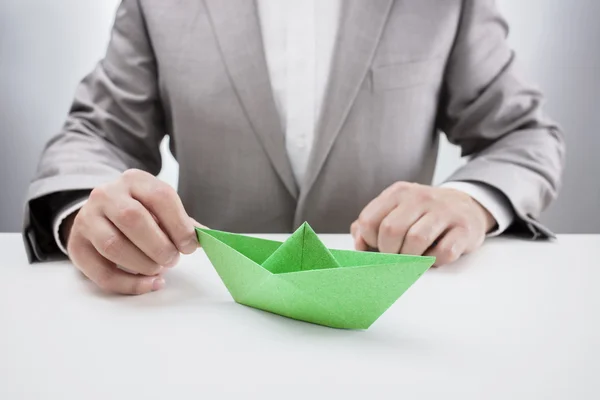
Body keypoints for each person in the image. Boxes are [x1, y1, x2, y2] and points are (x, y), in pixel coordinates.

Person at [23, 0, 564, 295]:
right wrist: (85, 212)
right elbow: (96, 135)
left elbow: (523, 135)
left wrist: (470, 202)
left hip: (397, 325)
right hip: (206, 322)